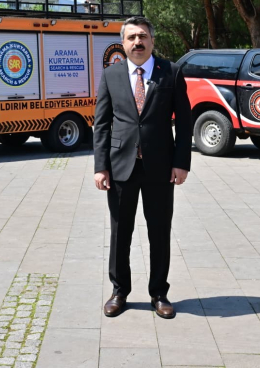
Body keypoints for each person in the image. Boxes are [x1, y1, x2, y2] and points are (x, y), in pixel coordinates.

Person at [93, 16, 191, 319]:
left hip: (160, 167)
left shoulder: (171, 72)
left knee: (159, 231)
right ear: (123, 43)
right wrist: (101, 166)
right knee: (120, 232)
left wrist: (181, 163)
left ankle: (159, 293)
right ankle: (119, 292)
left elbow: (184, 122)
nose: (138, 42)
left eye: (143, 36)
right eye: (132, 37)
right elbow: (102, 124)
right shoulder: (111, 75)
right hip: (120, 167)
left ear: (152, 41)